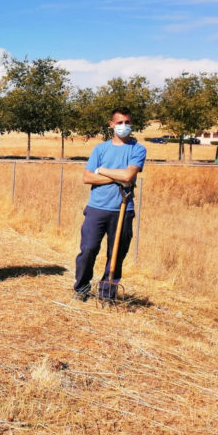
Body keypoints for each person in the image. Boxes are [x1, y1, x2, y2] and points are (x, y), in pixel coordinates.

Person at [73, 107, 146, 301]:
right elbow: (87, 178)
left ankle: (107, 294)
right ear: (111, 124)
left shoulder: (138, 149)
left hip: (123, 208)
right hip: (97, 208)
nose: (124, 126)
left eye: (127, 122)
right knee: (88, 249)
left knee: (116, 255)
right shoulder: (100, 149)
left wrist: (102, 170)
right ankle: (81, 288)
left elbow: (129, 175)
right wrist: (118, 177)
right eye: (120, 123)